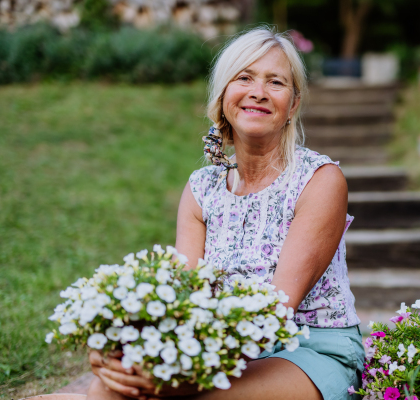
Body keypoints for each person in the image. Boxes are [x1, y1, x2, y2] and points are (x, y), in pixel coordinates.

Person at [86, 27, 363, 400]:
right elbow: (181, 298)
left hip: (307, 351)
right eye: (244, 78)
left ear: (293, 104)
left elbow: (276, 310)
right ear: (223, 96)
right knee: (109, 386)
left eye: (275, 82)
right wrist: (117, 344)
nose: (258, 92)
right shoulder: (201, 189)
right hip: (226, 352)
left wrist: (182, 373)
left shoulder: (320, 181)